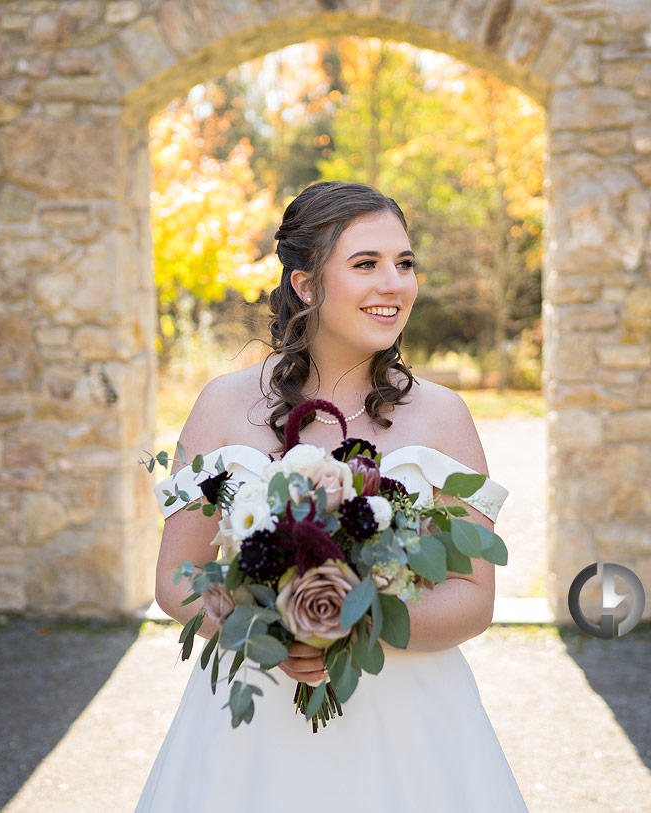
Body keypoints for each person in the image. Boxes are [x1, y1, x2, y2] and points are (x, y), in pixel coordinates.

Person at [136, 180, 528, 811]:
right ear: (307, 285)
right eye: (366, 264)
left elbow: (473, 597)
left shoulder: (445, 417)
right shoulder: (223, 405)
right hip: (252, 737)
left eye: (404, 264)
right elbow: (177, 581)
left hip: (412, 737)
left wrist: (352, 622)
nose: (394, 284)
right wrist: (267, 626)